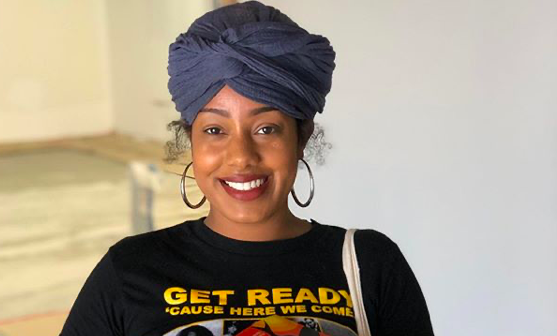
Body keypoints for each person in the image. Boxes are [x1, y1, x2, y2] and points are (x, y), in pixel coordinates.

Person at [60, 2, 434, 336]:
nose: (241, 157)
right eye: (215, 130)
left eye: (266, 129)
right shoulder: (129, 271)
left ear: (300, 139)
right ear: (192, 141)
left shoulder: (368, 264)